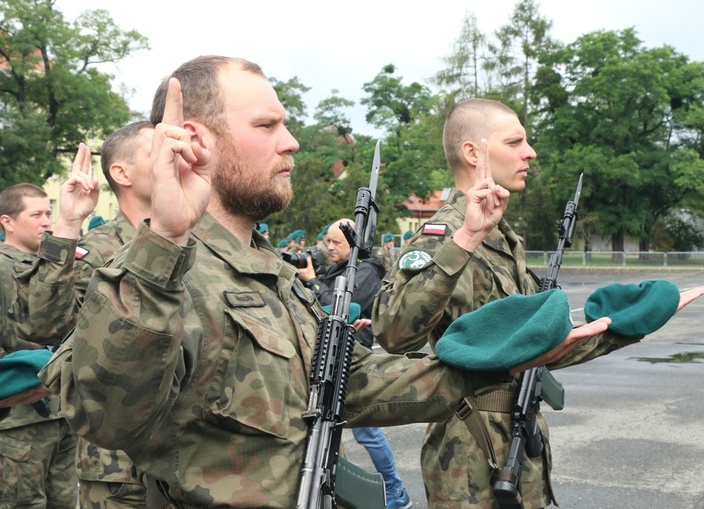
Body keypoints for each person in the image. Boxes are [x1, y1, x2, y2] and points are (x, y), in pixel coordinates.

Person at [39, 56, 612, 508]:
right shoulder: (159, 266)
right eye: (267, 125)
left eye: (285, 123)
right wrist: (162, 238)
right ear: (197, 139)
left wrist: (504, 363)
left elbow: (350, 383)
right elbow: (106, 417)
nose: (290, 141)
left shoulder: (270, 269)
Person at [371, 98, 704, 508]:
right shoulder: (443, 237)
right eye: (515, 142)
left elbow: (542, 345)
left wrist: (630, 322)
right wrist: (463, 243)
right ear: (473, 153)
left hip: (519, 442)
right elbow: (392, 331)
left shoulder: (504, 239)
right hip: (468, 454)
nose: (529, 152)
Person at [15, 123, 154, 508]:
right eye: (156, 152)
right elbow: (44, 324)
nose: (172, 160)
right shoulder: (98, 247)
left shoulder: (194, 241)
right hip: (120, 464)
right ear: (122, 174)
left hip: (188, 456)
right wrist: (68, 223)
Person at [298, 218, 411, 508]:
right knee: (331, 429)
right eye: (328, 241)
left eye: (337, 242)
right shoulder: (339, 268)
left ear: (354, 243)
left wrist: (311, 281)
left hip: (353, 355)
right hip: (331, 355)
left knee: (367, 432)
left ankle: (396, 492)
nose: (329, 247)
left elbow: (342, 310)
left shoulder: (366, 270)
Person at [0, 183, 78, 509]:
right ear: (8, 222)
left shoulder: (54, 268)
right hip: (18, 421)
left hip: (62, 414)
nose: (47, 221)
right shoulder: (3, 267)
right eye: (37, 214)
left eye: (50, 213)